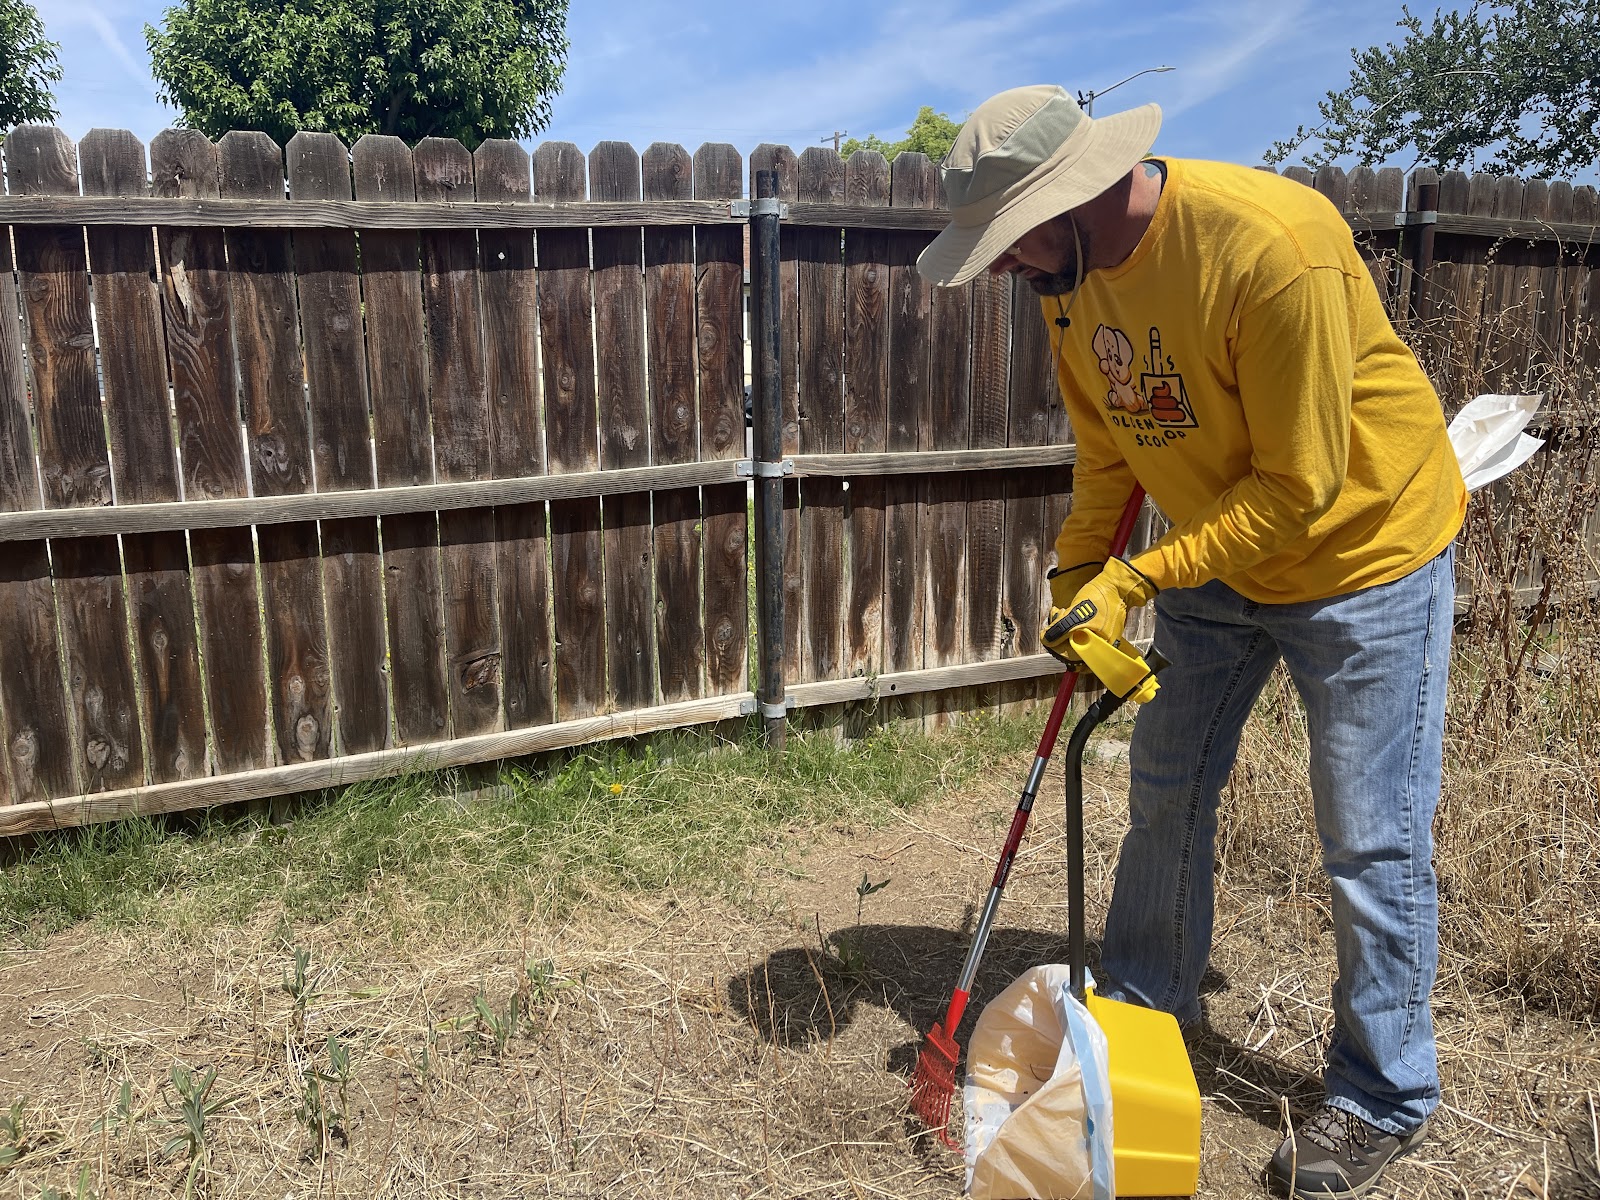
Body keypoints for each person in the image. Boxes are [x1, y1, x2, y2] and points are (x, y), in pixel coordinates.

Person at [917, 84, 1466, 1199]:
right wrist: (1081, 578)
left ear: (1076, 195)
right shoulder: (1067, 278)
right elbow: (1109, 449)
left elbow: (1301, 486)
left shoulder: (1271, 248)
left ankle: (1381, 1096)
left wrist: (1140, 576)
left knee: (1369, 837)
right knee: (1164, 793)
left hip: (1363, 556)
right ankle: (1136, 1023)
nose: (1009, 267)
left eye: (1013, 240)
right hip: (1218, 556)